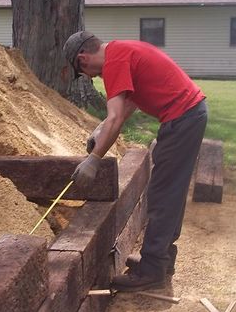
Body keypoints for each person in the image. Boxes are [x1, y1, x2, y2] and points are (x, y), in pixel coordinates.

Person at [63, 31, 207, 292]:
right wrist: (100, 129)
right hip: (188, 115)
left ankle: (151, 271)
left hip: (183, 117)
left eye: (86, 73)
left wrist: (94, 160)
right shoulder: (120, 51)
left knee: (163, 193)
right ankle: (161, 259)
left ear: (83, 59)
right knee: (169, 192)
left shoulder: (114, 62)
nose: (92, 77)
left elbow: (117, 117)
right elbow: (130, 104)